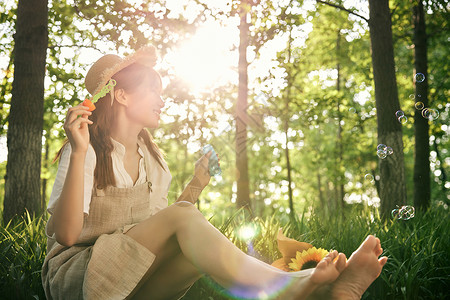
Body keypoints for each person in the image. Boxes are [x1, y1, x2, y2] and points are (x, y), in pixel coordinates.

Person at [41, 45, 387, 300]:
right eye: (153, 91)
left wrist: (197, 183)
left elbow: (159, 228)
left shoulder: (153, 158)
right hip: (82, 278)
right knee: (187, 223)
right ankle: (292, 286)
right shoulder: (85, 148)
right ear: (122, 96)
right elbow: (67, 236)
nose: (162, 100)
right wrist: (81, 150)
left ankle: (320, 293)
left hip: (129, 278)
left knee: (194, 255)